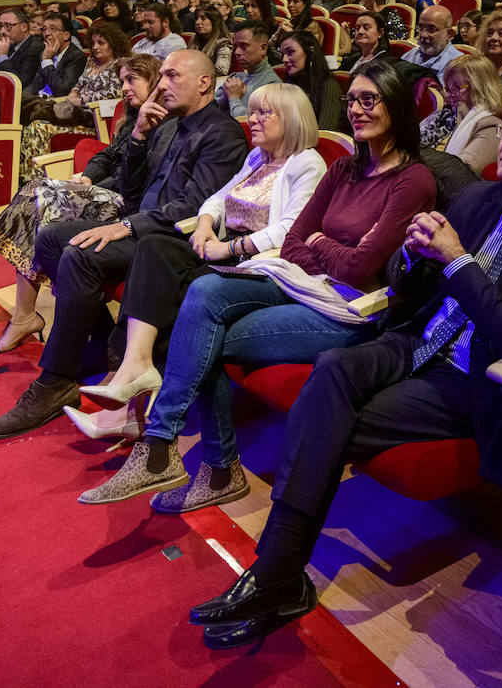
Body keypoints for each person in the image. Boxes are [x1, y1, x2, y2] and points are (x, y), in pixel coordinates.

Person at [187, 84, 502, 649]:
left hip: (471, 375)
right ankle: (279, 575)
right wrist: (411, 258)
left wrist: (455, 258)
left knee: (324, 422)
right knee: (333, 367)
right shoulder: (481, 200)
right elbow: (411, 292)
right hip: (415, 339)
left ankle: (275, 571)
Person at [72, 60, 437, 512]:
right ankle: (168, 449)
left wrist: (318, 243)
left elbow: (358, 268)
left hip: (349, 308)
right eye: (352, 100)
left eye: (369, 100)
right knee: (202, 296)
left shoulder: (412, 179)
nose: (356, 110)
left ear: (396, 106)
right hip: (298, 281)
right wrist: (323, 246)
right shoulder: (344, 169)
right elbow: (295, 242)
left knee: (203, 337)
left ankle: (201, 462)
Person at [0, 50, 248, 439]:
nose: (161, 85)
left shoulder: (222, 132)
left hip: (171, 242)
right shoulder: (168, 127)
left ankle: (56, 381)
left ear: (204, 83)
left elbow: (195, 205)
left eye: (172, 76)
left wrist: (126, 226)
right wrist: (138, 136)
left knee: (80, 255)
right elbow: (132, 191)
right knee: (51, 238)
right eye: (161, 76)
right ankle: (104, 343)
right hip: (143, 226)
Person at [64, 81, 326, 447]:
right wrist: (204, 224)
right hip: (224, 251)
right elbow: (217, 199)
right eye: (251, 111)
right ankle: (134, 367)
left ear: (292, 118)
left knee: (168, 291)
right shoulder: (257, 158)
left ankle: (129, 413)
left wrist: (229, 246)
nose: (251, 119)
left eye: (263, 113)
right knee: (153, 249)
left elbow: (291, 228)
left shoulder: (307, 163)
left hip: (260, 265)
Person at [0, 54, 157, 335]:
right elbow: (107, 154)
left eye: (132, 80)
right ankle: (18, 310)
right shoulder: (132, 117)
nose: (125, 88)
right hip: (105, 191)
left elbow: (133, 179)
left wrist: (92, 186)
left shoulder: (157, 123)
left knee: (39, 197)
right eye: (122, 81)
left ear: (154, 81)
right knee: (36, 197)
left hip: (127, 207)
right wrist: (88, 176)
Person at [18, 20, 129, 178]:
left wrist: (83, 100)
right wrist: (73, 93)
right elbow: (77, 85)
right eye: (93, 43)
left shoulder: (118, 65)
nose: (95, 47)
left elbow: (115, 93)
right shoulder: (92, 63)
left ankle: (40, 179)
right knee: (33, 126)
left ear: (113, 44)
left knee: (40, 128)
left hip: (95, 119)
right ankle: (27, 177)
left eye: (101, 43)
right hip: (75, 111)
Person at [418, 52, 502, 173]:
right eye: (448, 89)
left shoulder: (490, 127)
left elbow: (461, 170)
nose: (449, 95)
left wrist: (415, 162)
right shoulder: (443, 116)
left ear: (481, 88)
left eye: (457, 88)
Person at [279, 30, 348, 132]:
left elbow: (324, 134)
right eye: (283, 54)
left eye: (290, 52)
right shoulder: (290, 84)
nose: (284, 59)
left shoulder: (329, 86)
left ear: (310, 52)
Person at [217, 20, 279, 119]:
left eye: (244, 46)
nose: (236, 52)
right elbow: (208, 108)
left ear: (263, 48)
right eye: (236, 46)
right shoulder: (236, 77)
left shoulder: (273, 85)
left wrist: (234, 98)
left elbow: (253, 123)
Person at [402, 6, 464, 78]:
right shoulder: (410, 55)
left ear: (449, 34)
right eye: (420, 28)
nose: (423, 35)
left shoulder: (457, 65)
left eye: (431, 29)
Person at [189, 4, 233, 77]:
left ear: (214, 21)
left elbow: (221, 71)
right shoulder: (194, 40)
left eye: (203, 18)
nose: (198, 22)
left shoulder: (223, 43)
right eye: (196, 18)